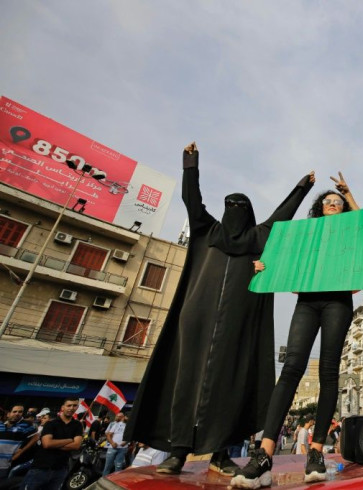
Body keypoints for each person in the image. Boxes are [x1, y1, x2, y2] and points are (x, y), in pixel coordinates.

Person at [125, 142, 315, 476]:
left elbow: (281, 216)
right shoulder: (207, 230)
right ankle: (178, 452)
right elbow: (192, 199)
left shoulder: (259, 237)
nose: (234, 210)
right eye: (230, 205)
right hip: (196, 321)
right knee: (185, 384)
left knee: (230, 386)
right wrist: (190, 164)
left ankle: (221, 453)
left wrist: (303, 187)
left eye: (240, 206)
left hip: (237, 326)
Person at [232, 178, 363, 487]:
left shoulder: (353, 236)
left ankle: (316, 452)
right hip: (307, 301)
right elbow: (285, 263)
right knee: (292, 367)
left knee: (329, 371)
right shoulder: (304, 237)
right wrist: (268, 268)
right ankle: (264, 454)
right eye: (328, 202)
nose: (334, 206)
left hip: (338, 302)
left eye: (339, 204)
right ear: (319, 209)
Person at [20, 397, 83, 490]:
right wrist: (69, 440)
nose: (71, 408)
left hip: (60, 470)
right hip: (41, 468)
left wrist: (55, 444)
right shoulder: (51, 423)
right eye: (69, 405)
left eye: (74, 405)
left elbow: (76, 445)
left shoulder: (77, 425)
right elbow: (47, 444)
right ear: (63, 407)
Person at [0, 404, 35, 479]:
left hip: (6, 464)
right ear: (8, 414)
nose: (17, 414)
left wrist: (20, 451)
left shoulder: (26, 425)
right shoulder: (1, 425)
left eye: (20, 412)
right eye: (14, 411)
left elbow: (35, 437)